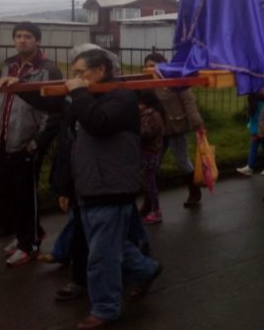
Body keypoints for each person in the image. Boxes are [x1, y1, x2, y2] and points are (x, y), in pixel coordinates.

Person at [66, 49, 161, 329]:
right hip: (89, 184)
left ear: (101, 71)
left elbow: (98, 123)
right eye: (74, 74)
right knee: (111, 245)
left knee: (102, 255)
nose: (76, 79)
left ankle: (106, 308)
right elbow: (54, 107)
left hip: (111, 185)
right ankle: (146, 269)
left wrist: (79, 94)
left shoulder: (121, 97)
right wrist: (13, 88)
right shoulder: (88, 96)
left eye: (81, 73)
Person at [0, 22, 62, 264]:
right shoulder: (8, 67)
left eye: (27, 36)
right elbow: (1, 104)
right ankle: (27, 233)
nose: (22, 40)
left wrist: (37, 142)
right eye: (18, 36)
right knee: (5, 190)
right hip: (4, 141)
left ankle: (29, 245)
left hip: (27, 143)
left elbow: (54, 110)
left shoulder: (48, 69)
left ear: (37, 41)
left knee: (24, 195)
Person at [144, 53, 205, 209]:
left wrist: (197, 123)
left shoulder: (174, 78)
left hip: (175, 127)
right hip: (156, 130)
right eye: (147, 65)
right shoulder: (145, 83)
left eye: (153, 65)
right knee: (152, 166)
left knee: (182, 161)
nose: (149, 68)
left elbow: (188, 102)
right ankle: (149, 201)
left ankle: (194, 192)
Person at [137, 91, 166, 225]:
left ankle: (156, 211)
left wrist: (136, 129)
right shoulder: (153, 114)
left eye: (140, 103)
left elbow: (147, 133)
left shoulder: (150, 116)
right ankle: (153, 209)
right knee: (148, 182)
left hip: (150, 152)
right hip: (151, 151)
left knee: (150, 183)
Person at [237, 93, 264, 176]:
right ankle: (252, 166)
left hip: (260, 129)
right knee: (258, 144)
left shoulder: (258, 103)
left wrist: (255, 132)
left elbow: (259, 119)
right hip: (259, 129)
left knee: (263, 144)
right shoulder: (261, 101)